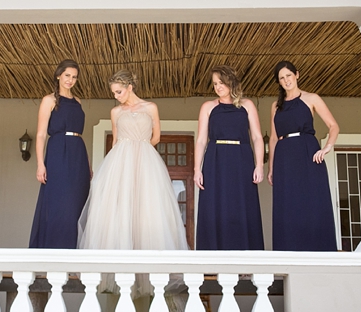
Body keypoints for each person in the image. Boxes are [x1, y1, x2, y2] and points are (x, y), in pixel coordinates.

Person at [77, 69, 189, 251]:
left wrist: (141, 148)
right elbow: (115, 140)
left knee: (148, 203)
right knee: (120, 202)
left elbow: (157, 138)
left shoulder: (150, 107)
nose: (116, 96)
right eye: (113, 93)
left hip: (145, 159)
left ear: (129, 87)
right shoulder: (116, 111)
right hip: (120, 160)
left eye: (118, 92)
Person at [268, 61, 339, 251]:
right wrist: (271, 168)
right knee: (287, 205)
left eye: (289, 76)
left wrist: (327, 148)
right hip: (283, 157)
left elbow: (333, 126)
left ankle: (319, 252)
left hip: (308, 153)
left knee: (312, 202)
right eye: (282, 78)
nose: (286, 80)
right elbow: (273, 138)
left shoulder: (312, 98)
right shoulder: (276, 106)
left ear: (297, 75)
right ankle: (288, 252)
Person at [194, 65, 265, 250]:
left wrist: (259, 165)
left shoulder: (247, 105)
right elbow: (201, 140)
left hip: (241, 160)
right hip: (215, 161)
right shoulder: (208, 107)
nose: (218, 87)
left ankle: (245, 261)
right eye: (215, 83)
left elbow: (257, 137)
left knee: (241, 205)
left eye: (221, 82)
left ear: (231, 81)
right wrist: (197, 169)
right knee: (215, 206)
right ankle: (213, 261)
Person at [29, 59, 91, 249]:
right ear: (58, 75)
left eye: (74, 77)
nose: (70, 80)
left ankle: (74, 253)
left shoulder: (78, 101)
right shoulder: (49, 100)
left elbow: (79, 134)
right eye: (67, 76)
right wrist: (40, 164)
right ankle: (53, 252)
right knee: (59, 203)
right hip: (57, 152)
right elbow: (40, 134)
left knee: (77, 203)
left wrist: (88, 166)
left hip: (77, 153)